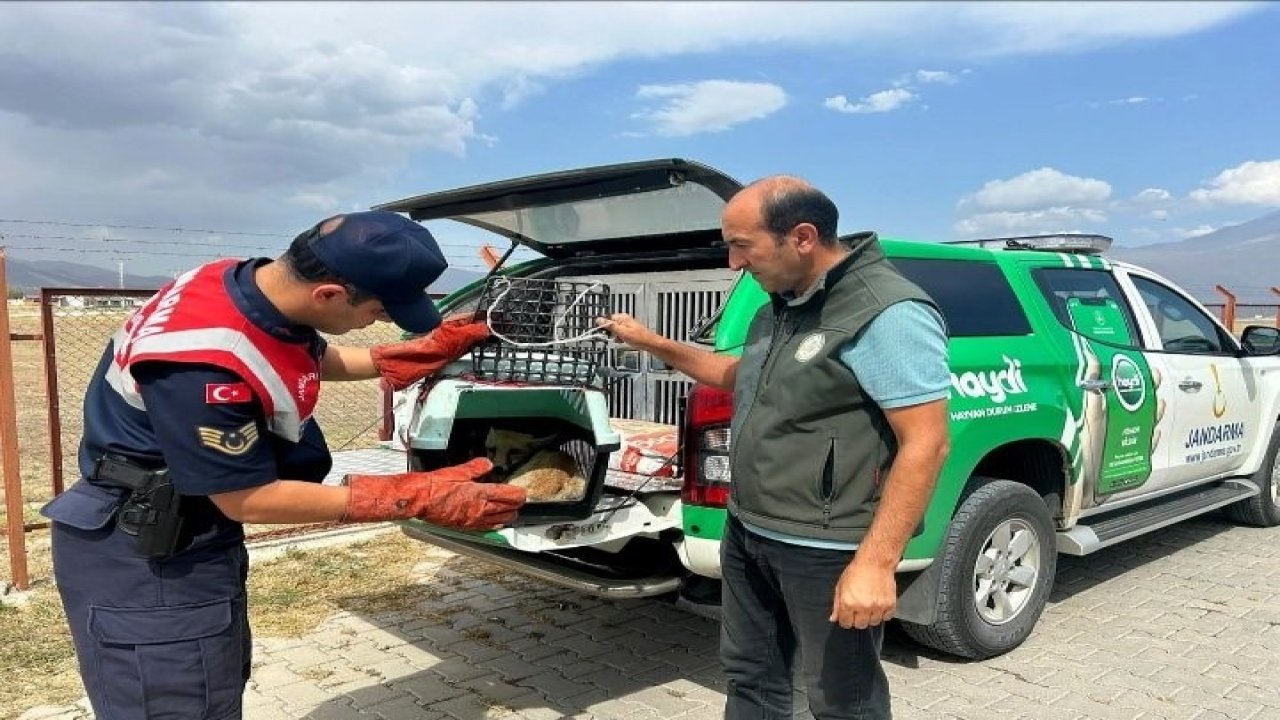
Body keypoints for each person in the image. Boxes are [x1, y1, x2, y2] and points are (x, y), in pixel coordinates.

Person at [40, 210, 527, 720]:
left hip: (186, 533)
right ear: (329, 294)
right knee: (179, 703)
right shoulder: (204, 363)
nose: (381, 321)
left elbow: (304, 356)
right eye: (382, 310)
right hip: (147, 553)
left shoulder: (234, 282)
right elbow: (248, 497)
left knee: (212, 683)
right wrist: (416, 496)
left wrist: (402, 357)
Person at [599, 177, 950, 719]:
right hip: (750, 529)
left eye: (743, 244)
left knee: (843, 700)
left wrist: (876, 564)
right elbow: (738, 374)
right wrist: (651, 342)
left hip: (827, 546)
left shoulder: (886, 312)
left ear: (803, 236)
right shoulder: (781, 303)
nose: (733, 261)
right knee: (752, 679)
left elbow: (926, 443)